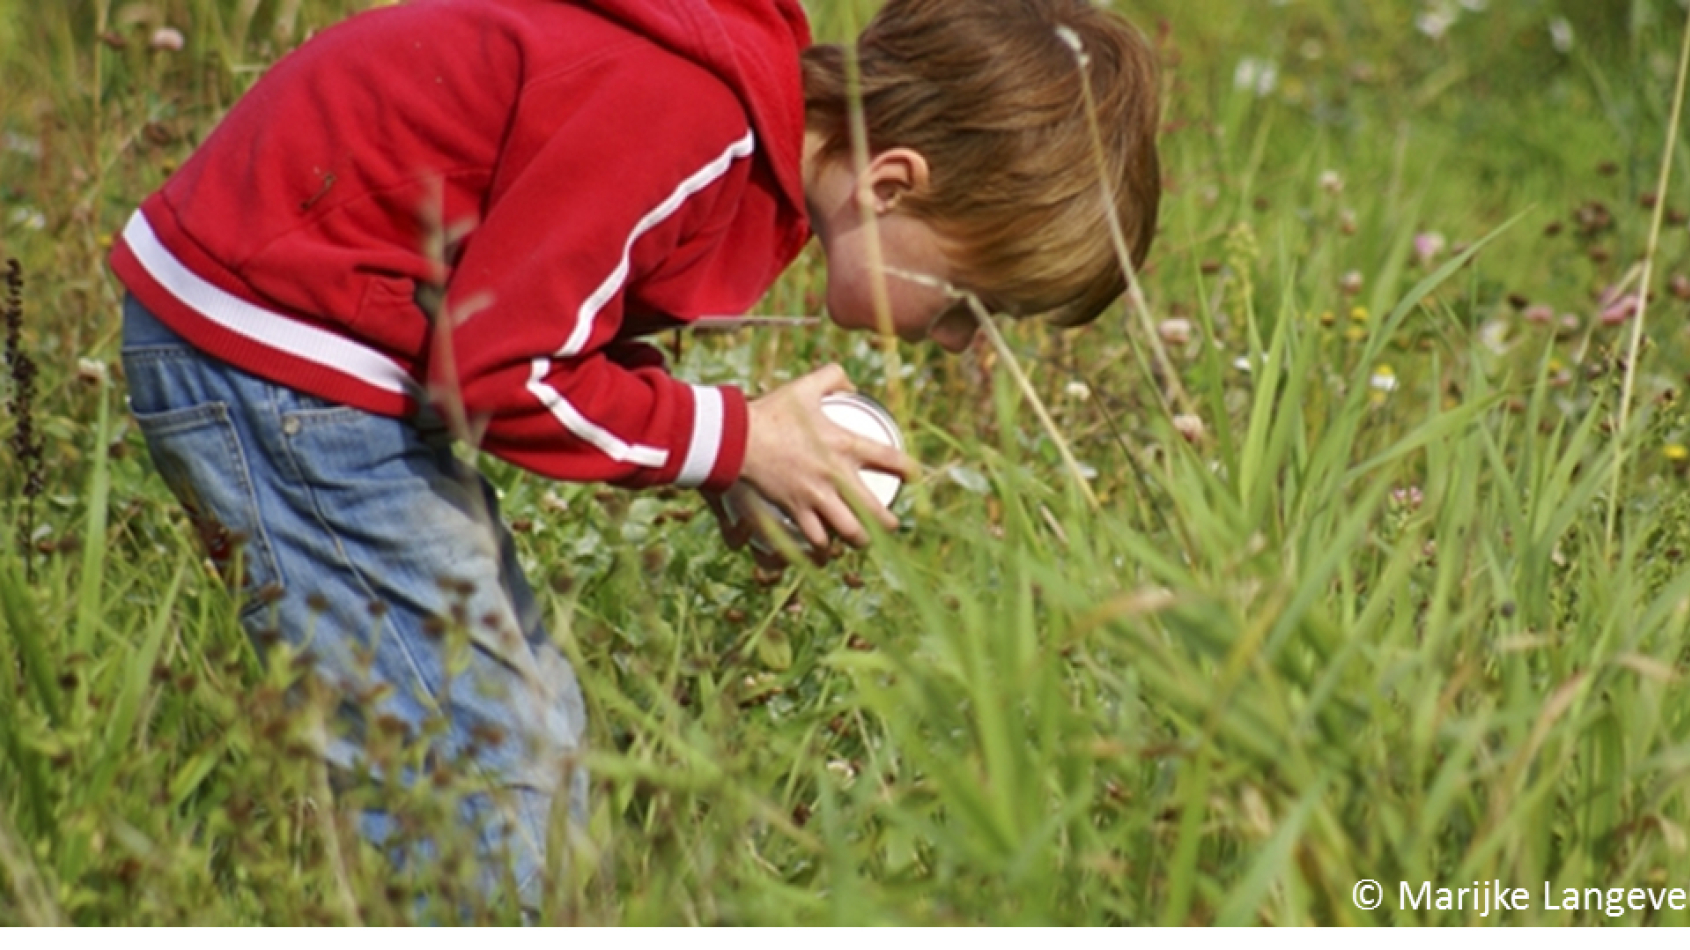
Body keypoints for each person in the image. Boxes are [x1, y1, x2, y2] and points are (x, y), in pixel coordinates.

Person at [109, 0, 1161, 909]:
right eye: (974, 305)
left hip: (328, 343)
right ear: (891, 181)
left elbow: (543, 311)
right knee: (478, 753)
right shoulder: (690, 120)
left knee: (534, 721)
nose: (965, 345)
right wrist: (732, 436)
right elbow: (499, 372)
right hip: (280, 352)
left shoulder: (741, 135)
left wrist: (724, 453)